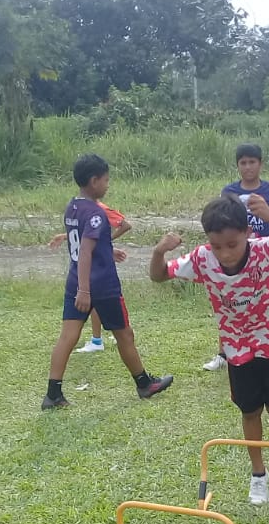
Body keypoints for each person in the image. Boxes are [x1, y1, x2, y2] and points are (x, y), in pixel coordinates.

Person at [150, 194, 269, 504]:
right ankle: (258, 474)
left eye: (232, 244)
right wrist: (159, 251)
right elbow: (159, 275)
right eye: (217, 246)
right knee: (250, 411)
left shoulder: (266, 250)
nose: (225, 254)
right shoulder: (203, 259)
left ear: (247, 233)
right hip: (238, 351)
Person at [42, 154, 173, 410]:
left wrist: (106, 251)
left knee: (67, 336)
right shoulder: (96, 213)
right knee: (124, 334)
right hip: (101, 286)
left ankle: (52, 394)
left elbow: (84, 244)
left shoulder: (73, 207)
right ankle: (144, 384)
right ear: (94, 181)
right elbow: (86, 251)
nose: (107, 185)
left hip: (75, 280)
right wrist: (85, 290)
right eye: (105, 180)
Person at [204, 143, 269, 372]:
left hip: (264, 261)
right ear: (237, 165)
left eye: (252, 162)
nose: (248, 167)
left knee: (268, 306)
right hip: (235, 262)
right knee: (229, 307)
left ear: (261, 164)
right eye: (243, 162)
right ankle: (224, 353)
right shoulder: (229, 191)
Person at [47, 202, 131, 353]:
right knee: (94, 302)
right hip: (91, 264)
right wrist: (65, 236)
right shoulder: (83, 207)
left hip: (98, 268)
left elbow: (125, 225)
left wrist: (105, 244)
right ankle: (98, 339)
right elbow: (86, 234)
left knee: (99, 300)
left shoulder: (99, 208)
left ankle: (100, 339)